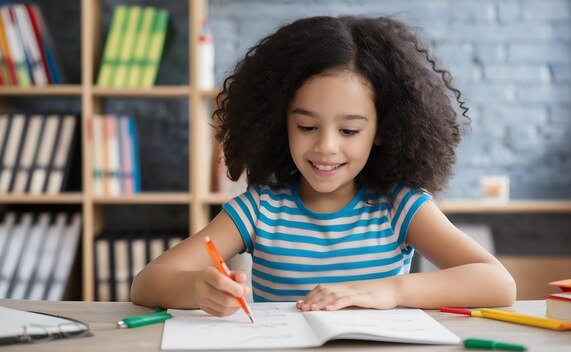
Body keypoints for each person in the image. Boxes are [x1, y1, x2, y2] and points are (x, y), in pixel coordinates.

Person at [131, 15, 516, 317]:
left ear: (381, 131)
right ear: (281, 125)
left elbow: (498, 283)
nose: (326, 147)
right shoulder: (259, 209)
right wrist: (200, 288)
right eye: (307, 127)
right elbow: (148, 282)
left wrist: (389, 290)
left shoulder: (399, 207)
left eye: (349, 130)